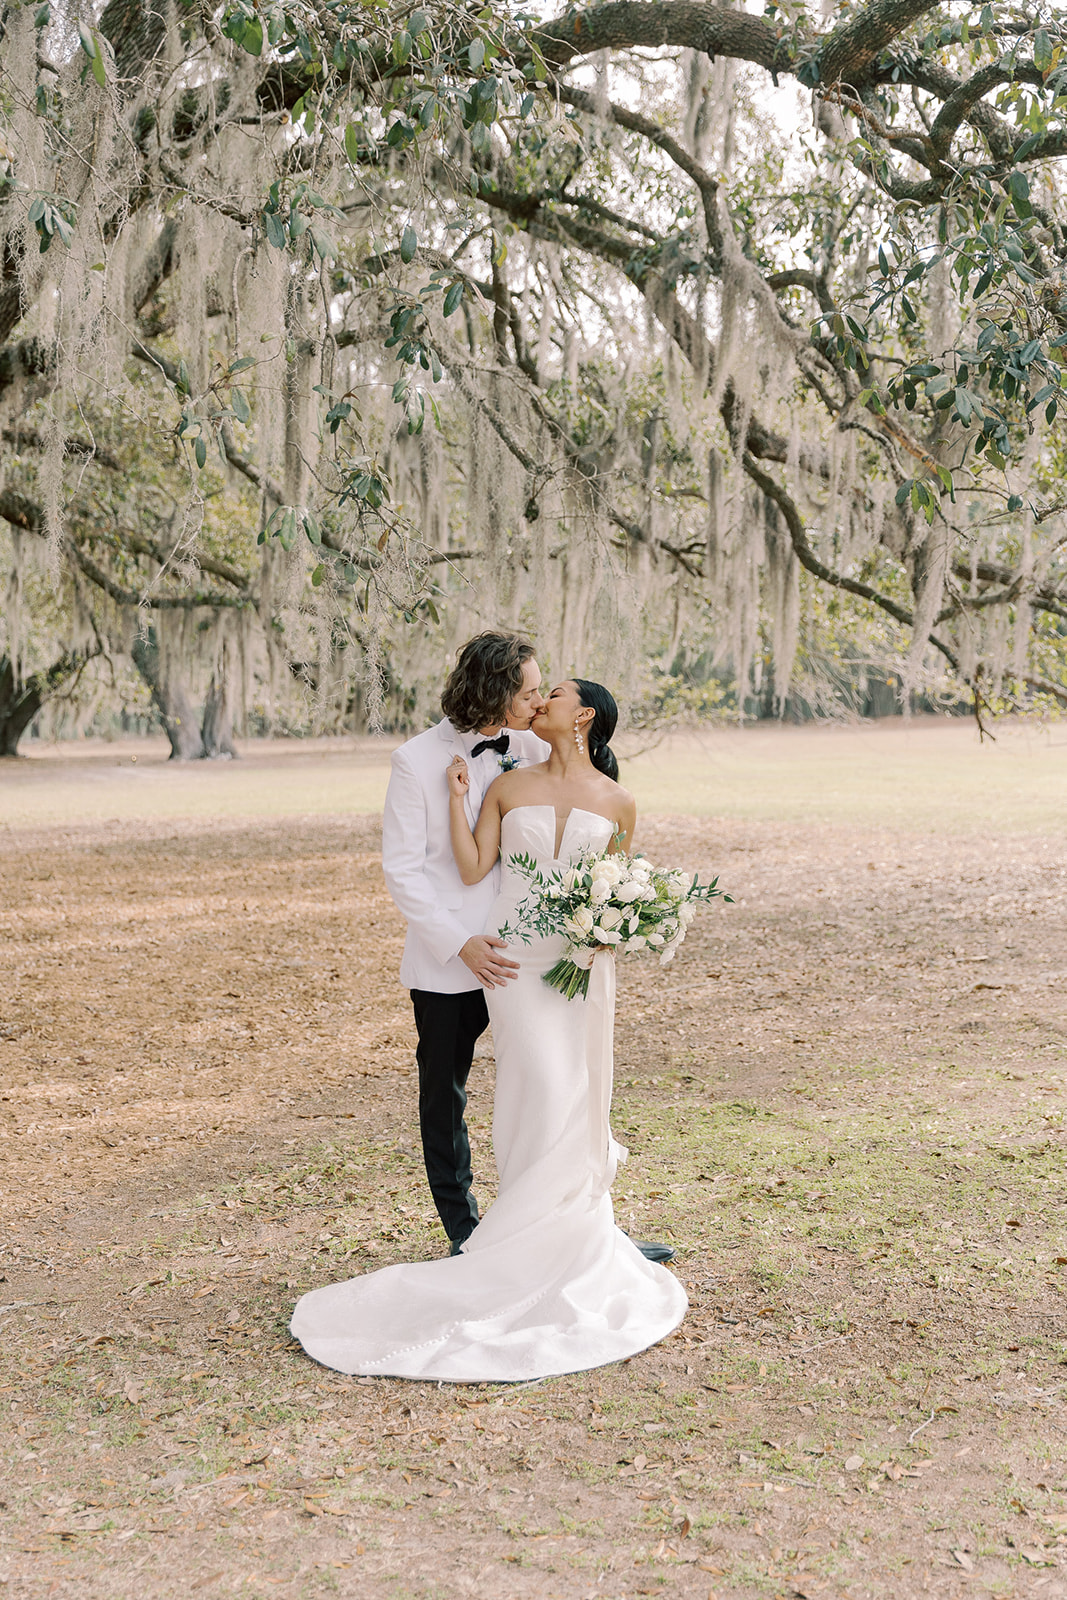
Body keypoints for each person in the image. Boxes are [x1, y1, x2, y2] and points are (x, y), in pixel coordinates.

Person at [290, 677, 687, 1381]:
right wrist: (452, 798)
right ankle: (525, 1232)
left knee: (574, 1085)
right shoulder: (506, 783)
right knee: (534, 1082)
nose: (538, 701)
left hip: (577, 965)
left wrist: (613, 932)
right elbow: (474, 864)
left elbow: (619, 881)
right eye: (534, 689)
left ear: (584, 715)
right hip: (512, 961)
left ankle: (573, 1228)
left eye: (552, 692)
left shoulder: (618, 801)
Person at [378, 631, 549, 1255]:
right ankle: (464, 1231)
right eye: (527, 691)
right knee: (444, 1091)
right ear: (495, 691)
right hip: (448, 963)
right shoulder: (415, 760)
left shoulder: (532, 744)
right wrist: (459, 943)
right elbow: (403, 870)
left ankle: (562, 1217)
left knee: (548, 1079)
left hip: (528, 951)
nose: (537, 700)